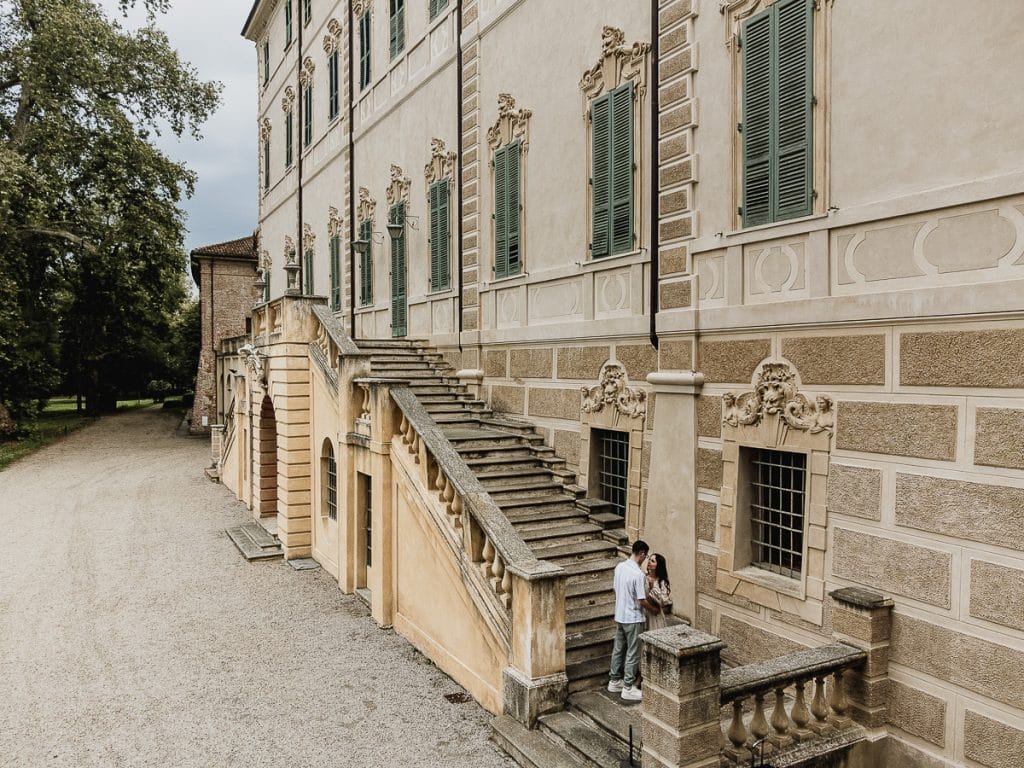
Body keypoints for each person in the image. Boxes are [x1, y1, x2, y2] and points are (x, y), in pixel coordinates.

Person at [607, 540, 660, 702]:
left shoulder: (620, 567)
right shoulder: (638, 574)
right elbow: (641, 600)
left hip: (620, 615)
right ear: (642, 553)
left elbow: (615, 589)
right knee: (632, 652)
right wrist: (654, 610)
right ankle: (628, 687)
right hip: (633, 618)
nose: (645, 559)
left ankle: (614, 681)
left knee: (618, 649)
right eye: (646, 556)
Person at [644, 553, 672, 631]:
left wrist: (652, 590)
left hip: (656, 614)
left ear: (658, 565)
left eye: (652, 561)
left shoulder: (662, 582)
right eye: (649, 559)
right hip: (644, 611)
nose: (649, 562)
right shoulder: (643, 578)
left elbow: (664, 601)